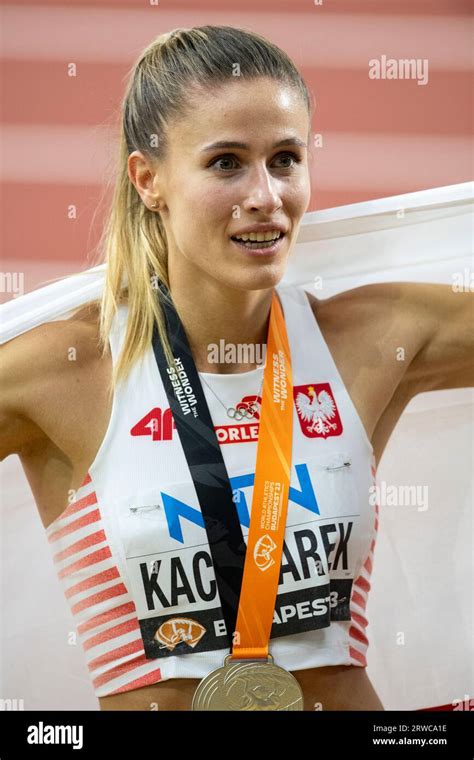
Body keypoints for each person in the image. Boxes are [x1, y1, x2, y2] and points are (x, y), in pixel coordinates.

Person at [1, 25, 472, 713]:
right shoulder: (64, 370)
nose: (266, 196)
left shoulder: (371, 339)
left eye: (285, 159)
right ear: (149, 179)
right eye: (226, 163)